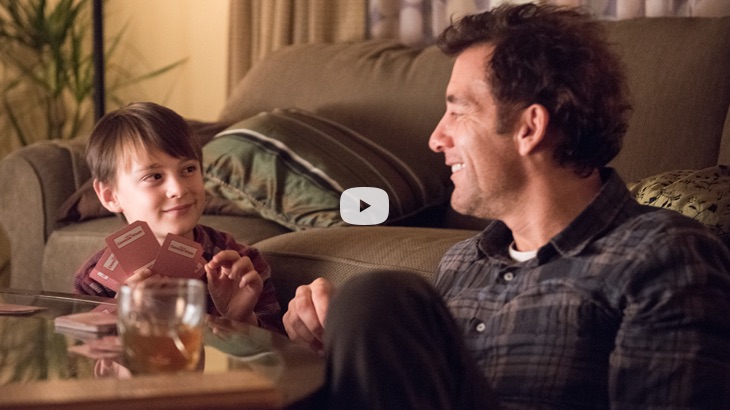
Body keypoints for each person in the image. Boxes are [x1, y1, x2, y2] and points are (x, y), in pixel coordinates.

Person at [282, 3, 730, 409]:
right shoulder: (463, 263)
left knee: (377, 295)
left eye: (458, 111)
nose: (436, 139)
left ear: (529, 127)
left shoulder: (664, 255)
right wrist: (359, 354)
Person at [73, 102, 282, 333]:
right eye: (154, 176)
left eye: (189, 169)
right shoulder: (94, 282)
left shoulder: (241, 266)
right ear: (110, 195)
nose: (179, 189)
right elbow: (84, 351)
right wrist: (124, 320)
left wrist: (241, 319)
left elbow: (278, 349)